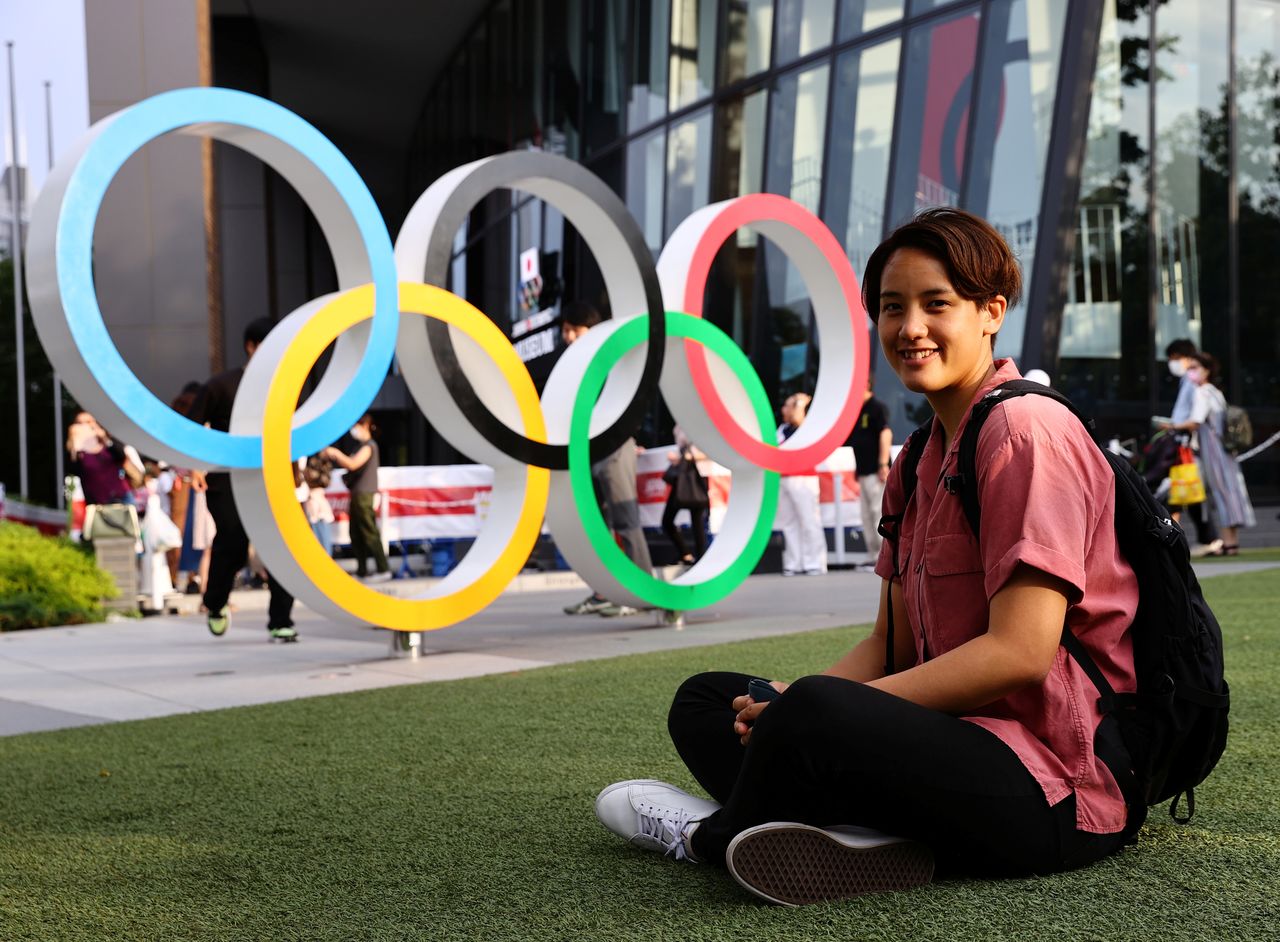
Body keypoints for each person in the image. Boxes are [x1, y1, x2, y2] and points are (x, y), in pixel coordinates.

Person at [593, 208, 1140, 906]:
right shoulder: (916, 464)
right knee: (709, 699)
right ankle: (854, 832)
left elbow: (1021, 653)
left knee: (816, 707)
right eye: (891, 307)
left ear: (990, 312)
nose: (910, 327)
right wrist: (786, 705)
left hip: (1054, 784)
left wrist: (811, 713)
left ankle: (712, 836)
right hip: (948, 744)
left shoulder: (1026, 434)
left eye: (936, 304)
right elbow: (889, 649)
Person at [190, 318, 297, 641]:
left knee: (281, 547)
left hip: (271, 479)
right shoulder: (220, 385)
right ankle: (216, 601)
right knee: (233, 543)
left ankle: (281, 620)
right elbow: (191, 427)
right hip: (226, 480)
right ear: (252, 346)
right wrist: (194, 466)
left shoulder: (285, 387)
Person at [560, 301, 653, 618]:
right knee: (598, 527)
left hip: (613, 447)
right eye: (565, 332)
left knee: (625, 520)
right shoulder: (574, 368)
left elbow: (630, 397)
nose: (569, 338)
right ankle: (604, 592)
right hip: (588, 450)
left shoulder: (609, 360)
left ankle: (642, 592)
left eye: (574, 330)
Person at [1161, 353, 1255, 555]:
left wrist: (1172, 426)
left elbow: (1195, 420)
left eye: (1195, 367)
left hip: (1213, 450)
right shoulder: (1215, 392)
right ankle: (1231, 542)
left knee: (1221, 493)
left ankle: (1228, 543)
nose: (1191, 372)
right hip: (1224, 450)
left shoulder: (1202, 392)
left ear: (1207, 370)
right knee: (1229, 491)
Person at [1163, 339, 1220, 555]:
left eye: (1175, 359)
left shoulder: (1197, 386)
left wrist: (1174, 426)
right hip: (1183, 443)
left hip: (1187, 445)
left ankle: (1204, 538)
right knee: (1187, 492)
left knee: (1181, 492)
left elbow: (1195, 418)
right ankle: (1209, 538)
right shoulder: (1189, 383)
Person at [324, 414, 391, 583]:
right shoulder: (360, 446)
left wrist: (336, 454)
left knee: (369, 532)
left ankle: (383, 569)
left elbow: (352, 464)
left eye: (357, 426)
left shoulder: (369, 446)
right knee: (355, 533)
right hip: (357, 494)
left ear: (365, 426)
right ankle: (363, 570)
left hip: (364, 495)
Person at [774, 393, 827, 576]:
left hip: (804, 478)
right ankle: (793, 563)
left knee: (809, 521)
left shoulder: (805, 427)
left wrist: (800, 403)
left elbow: (799, 419)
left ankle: (814, 562)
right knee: (789, 523)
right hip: (784, 478)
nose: (785, 410)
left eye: (789, 406)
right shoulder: (782, 429)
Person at [848, 377, 892, 572]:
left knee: (877, 512)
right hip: (864, 471)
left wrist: (883, 463)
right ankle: (873, 554)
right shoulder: (858, 409)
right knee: (866, 514)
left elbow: (885, 433)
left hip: (876, 470)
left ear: (866, 385)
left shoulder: (876, 407)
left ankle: (884, 555)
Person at [661, 425, 709, 566]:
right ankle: (685, 553)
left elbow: (709, 453)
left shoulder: (700, 424)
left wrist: (689, 457)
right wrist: (680, 458)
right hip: (682, 478)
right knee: (667, 520)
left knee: (697, 522)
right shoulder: (678, 426)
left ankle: (701, 560)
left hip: (695, 477)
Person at [66, 412, 135, 507]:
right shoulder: (78, 451)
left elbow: (122, 457)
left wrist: (105, 439)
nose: (85, 425)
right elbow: (73, 471)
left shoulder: (106, 442)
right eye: (80, 423)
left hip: (122, 496)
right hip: (98, 502)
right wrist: (76, 448)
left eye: (88, 422)